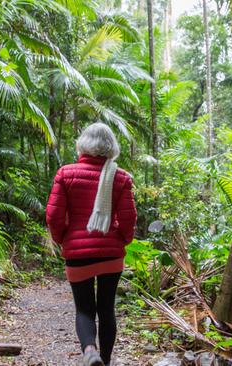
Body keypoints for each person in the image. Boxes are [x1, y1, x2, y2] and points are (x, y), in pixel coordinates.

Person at [46, 123, 137, 366]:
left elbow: (54, 216)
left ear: (83, 144)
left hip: (77, 255)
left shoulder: (65, 173)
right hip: (111, 255)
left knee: (84, 309)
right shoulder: (121, 177)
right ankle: (104, 361)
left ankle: (90, 352)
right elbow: (128, 219)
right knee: (107, 309)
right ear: (111, 147)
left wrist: (63, 239)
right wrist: (122, 240)